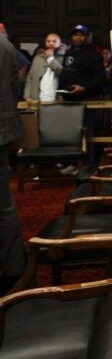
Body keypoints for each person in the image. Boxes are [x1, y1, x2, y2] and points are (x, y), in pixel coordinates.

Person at [0, 33, 26, 294]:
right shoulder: (5, 43)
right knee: (4, 205)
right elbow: (16, 83)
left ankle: (13, 267)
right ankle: (14, 266)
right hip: (4, 127)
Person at [58, 24, 107, 101]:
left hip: (86, 98)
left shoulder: (93, 54)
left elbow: (100, 76)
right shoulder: (68, 52)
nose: (78, 37)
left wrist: (84, 88)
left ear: (87, 37)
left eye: (82, 35)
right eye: (75, 35)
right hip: (67, 98)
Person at [23, 32, 65, 102]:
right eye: (48, 41)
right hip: (38, 97)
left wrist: (50, 58)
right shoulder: (38, 58)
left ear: (60, 44)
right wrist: (27, 95)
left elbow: (61, 72)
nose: (51, 43)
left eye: (54, 41)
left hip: (56, 97)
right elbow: (30, 77)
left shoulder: (63, 58)